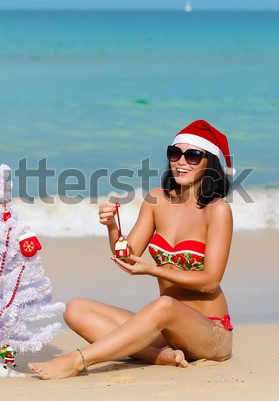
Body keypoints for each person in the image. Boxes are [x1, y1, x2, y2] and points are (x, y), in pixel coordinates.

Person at [28, 119, 235, 380]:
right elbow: (127, 256)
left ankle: (78, 360)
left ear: (210, 163)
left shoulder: (217, 210)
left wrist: (153, 270)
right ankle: (156, 355)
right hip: (167, 332)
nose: (181, 161)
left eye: (193, 155)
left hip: (209, 335)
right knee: (76, 308)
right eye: (175, 153)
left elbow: (210, 281)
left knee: (165, 305)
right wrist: (112, 226)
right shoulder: (157, 199)